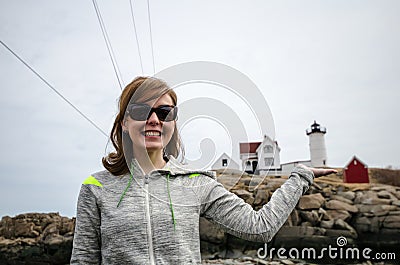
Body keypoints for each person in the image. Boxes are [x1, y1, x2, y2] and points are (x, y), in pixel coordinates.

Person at [70, 76, 337, 264]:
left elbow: (260, 228)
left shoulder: (196, 183)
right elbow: (83, 260)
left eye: (164, 112)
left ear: (173, 122)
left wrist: (299, 178)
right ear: (125, 122)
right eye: (141, 110)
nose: (153, 119)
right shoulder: (96, 187)